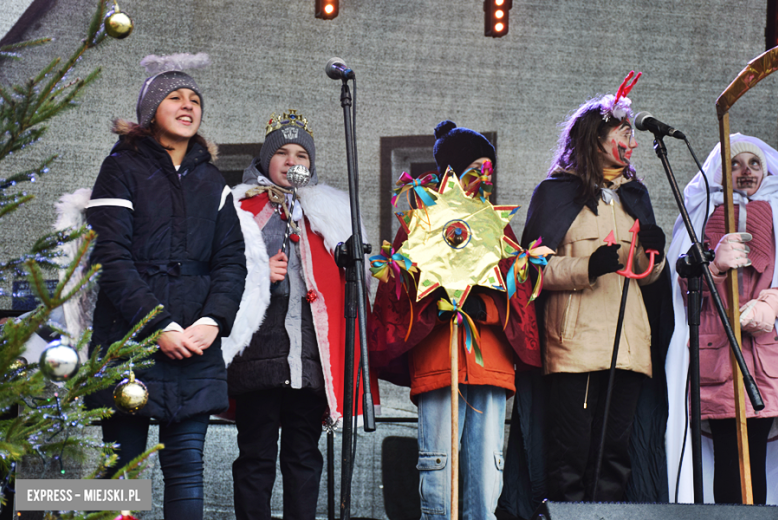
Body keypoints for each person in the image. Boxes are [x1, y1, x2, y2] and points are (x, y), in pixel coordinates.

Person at [85, 54, 246, 519]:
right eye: (174, 97)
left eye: (195, 99)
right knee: (121, 476)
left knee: (185, 470)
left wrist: (213, 321)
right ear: (150, 111)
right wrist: (160, 327)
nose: (187, 105)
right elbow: (110, 259)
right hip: (129, 339)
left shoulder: (213, 181)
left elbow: (232, 261)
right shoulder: (120, 168)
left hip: (197, 344)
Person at [370, 121, 541, 519]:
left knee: (486, 475)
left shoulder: (498, 224)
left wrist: (488, 310)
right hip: (437, 361)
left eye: (488, 170)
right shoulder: (421, 223)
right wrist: (433, 298)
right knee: (438, 469)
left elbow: (520, 293)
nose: (483, 177)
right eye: (475, 168)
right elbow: (396, 291)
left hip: (490, 364)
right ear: (452, 170)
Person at [520, 73, 671, 502]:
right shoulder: (555, 194)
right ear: (595, 137)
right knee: (571, 458)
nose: (632, 141)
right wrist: (587, 266)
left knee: (614, 459)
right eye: (623, 132)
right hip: (575, 348)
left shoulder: (634, 196)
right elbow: (532, 270)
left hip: (628, 347)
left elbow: (648, 278)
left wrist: (651, 256)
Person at [222, 109, 375, 520]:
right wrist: (257, 272)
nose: (293, 162)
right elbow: (219, 273)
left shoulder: (330, 213)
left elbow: (352, 285)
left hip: (308, 360)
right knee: (255, 455)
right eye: (283, 154)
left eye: (302, 156)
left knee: (304, 456)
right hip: (258, 356)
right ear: (265, 160)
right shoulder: (241, 207)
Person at [666, 134, 778, 504]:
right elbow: (681, 283)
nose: (745, 171)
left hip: (762, 355)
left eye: (754, 164)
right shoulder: (703, 212)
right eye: (735, 163)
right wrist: (712, 265)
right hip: (715, 350)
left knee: (756, 460)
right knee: (728, 457)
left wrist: (772, 304)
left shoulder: (777, 213)